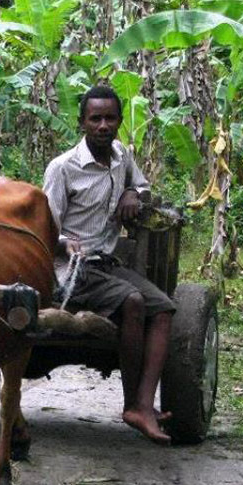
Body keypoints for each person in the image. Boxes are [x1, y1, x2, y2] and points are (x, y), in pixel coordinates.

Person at [42, 84, 176, 444]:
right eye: (95, 119)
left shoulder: (121, 156)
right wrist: (63, 242)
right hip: (72, 270)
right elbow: (45, 228)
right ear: (82, 123)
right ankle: (132, 405)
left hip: (107, 265)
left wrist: (133, 192)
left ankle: (144, 404)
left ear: (118, 122)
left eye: (110, 118)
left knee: (164, 309)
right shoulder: (63, 168)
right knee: (133, 301)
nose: (103, 125)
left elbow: (143, 186)